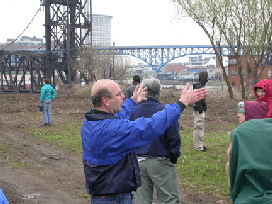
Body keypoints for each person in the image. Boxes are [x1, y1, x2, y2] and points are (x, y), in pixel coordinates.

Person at [81, 79, 207, 204]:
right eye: (119, 94)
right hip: (114, 198)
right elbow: (150, 127)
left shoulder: (91, 123)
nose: (123, 96)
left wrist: (132, 101)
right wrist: (182, 103)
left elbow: (119, 115)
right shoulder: (113, 130)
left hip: (102, 194)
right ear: (105, 100)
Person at [130, 78, 181, 204]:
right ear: (159, 92)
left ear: (144, 92)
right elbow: (174, 138)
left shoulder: (133, 111)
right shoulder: (165, 112)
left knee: (142, 200)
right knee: (169, 199)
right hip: (160, 160)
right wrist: (173, 158)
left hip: (138, 161)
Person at [226, 101, 271, 204]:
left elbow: (232, 171)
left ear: (251, 113)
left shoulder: (239, 136)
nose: (238, 114)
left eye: (241, 111)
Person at [193, 71, 208, 152]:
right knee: (198, 128)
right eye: (207, 76)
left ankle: (199, 145)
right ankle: (198, 147)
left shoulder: (199, 86)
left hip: (198, 110)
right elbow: (198, 100)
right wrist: (201, 110)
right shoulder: (199, 87)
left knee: (199, 128)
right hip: (199, 111)